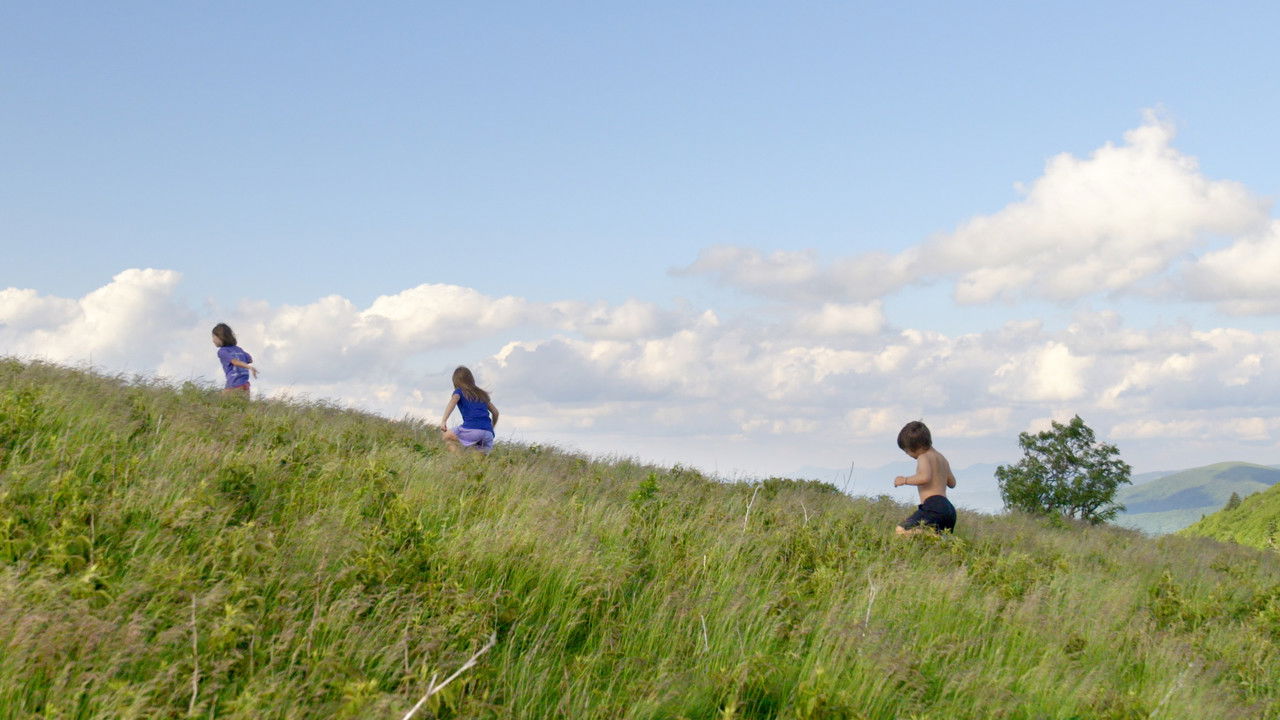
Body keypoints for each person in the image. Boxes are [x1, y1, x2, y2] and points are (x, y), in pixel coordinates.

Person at [892, 420, 957, 535]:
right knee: (939, 540)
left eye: (907, 450)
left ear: (917, 447)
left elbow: (925, 477)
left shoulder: (923, 457)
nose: (907, 454)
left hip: (933, 505)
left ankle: (932, 536)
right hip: (949, 509)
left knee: (901, 530)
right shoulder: (942, 458)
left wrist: (904, 480)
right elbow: (952, 483)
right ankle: (938, 537)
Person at [439, 366, 499, 453]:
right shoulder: (481, 394)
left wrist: (444, 420)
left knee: (447, 437)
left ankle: (459, 460)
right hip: (488, 434)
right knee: (478, 463)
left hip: (472, 429)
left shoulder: (459, 391)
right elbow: (495, 412)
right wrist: (491, 428)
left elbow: (453, 400)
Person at [211, 323, 258, 397]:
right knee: (242, 407)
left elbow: (235, 362)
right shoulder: (238, 349)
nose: (213, 340)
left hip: (234, 385)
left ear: (220, 337)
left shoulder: (222, 351)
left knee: (216, 402)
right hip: (245, 386)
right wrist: (243, 360)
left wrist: (249, 367)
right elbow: (250, 359)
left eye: (214, 337)